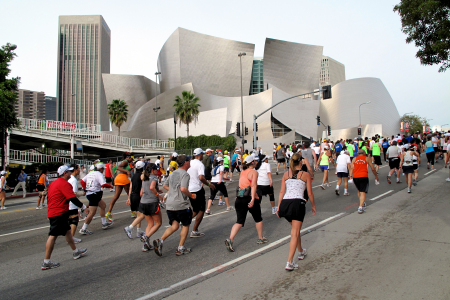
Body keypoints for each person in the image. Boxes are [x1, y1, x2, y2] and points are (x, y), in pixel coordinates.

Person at [41, 165, 89, 270]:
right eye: (69, 172)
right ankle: (46, 262)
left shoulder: (54, 184)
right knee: (53, 236)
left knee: (68, 232)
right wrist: (84, 207)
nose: (70, 173)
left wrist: (49, 212)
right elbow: (72, 198)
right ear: (64, 173)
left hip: (55, 212)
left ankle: (75, 252)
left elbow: (50, 198)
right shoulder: (64, 184)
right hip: (59, 213)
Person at [277, 152, 316, 271]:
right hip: (297, 203)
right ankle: (289, 262)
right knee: (294, 232)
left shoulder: (286, 174)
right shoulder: (305, 175)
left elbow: (281, 192)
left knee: (295, 229)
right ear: (301, 162)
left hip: (285, 204)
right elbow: (309, 193)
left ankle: (300, 251)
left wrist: (278, 207)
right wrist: (313, 206)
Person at [153, 155, 195, 256]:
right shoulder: (185, 174)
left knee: (175, 225)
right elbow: (183, 189)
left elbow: (164, 185)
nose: (190, 162)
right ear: (185, 162)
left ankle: (161, 240)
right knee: (185, 224)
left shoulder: (173, 173)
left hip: (170, 204)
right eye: (189, 160)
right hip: (181, 204)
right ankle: (180, 247)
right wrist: (192, 195)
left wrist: (173, 191)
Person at [225, 155, 267, 252]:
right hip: (248, 198)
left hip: (239, 198)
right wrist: (253, 198)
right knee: (258, 219)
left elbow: (242, 185)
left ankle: (230, 239)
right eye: (255, 161)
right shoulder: (254, 172)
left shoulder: (243, 172)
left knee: (239, 221)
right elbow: (253, 186)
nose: (256, 162)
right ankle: (260, 238)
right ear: (252, 162)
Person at [125, 163, 163, 252]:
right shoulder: (153, 178)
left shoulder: (144, 178)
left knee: (150, 224)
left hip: (143, 202)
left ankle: (146, 245)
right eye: (156, 169)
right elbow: (151, 187)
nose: (157, 171)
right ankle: (146, 237)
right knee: (158, 223)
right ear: (152, 170)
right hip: (152, 203)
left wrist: (156, 190)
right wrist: (158, 195)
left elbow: (142, 192)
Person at [187, 148, 215, 238]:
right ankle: (194, 230)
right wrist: (209, 184)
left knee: (195, 209)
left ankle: (185, 221)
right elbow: (201, 177)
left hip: (189, 189)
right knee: (201, 210)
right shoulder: (200, 164)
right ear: (199, 155)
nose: (203, 155)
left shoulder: (189, 163)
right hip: (197, 189)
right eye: (202, 154)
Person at [79, 163, 114, 235]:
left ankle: (104, 223)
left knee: (103, 205)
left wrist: (85, 189)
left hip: (92, 194)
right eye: (103, 169)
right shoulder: (99, 174)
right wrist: (111, 186)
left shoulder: (90, 173)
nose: (103, 170)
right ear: (101, 169)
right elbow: (103, 184)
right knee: (92, 213)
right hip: (94, 194)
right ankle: (83, 229)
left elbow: (82, 181)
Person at [350, 149, 379, 214]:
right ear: (364, 153)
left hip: (355, 176)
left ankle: (362, 203)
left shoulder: (354, 159)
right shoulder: (367, 158)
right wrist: (376, 176)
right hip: (363, 176)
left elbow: (351, 168)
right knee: (363, 192)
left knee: (359, 190)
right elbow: (372, 168)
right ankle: (360, 207)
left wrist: (350, 176)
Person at [106, 152, 134, 221]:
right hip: (123, 178)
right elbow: (118, 167)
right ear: (129, 157)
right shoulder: (125, 162)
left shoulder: (126, 162)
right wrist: (127, 172)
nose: (132, 160)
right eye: (132, 159)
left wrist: (130, 168)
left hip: (118, 179)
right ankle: (133, 212)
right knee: (130, 195)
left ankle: (109, 212)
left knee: (116, 196)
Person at [67, 164, 86, 244]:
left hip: (67, 203)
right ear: (75, 170)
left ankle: (69, 238)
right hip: (72, 203)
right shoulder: (73, 180)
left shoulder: (69, 178)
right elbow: (73, 194)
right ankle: (71, 239)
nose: (79, 170)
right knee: (74, 221)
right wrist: (82, 193)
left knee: (68, 222)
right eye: (78, 169)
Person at [127, 160, 145, 231]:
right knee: (142, 215)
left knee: (138, 214)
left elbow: (130, 187)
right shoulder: (141, 176)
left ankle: (138, 230)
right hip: (138, 196)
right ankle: (130, 228)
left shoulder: (133, 176)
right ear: (143, 168)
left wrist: (129, 198)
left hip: (133, 196)